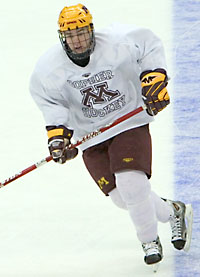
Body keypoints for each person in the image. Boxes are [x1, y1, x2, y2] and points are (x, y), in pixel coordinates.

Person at [29, 3, 193, 266]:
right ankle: (173, 211)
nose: (78, 41)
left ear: (91, 30)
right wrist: (59, 137)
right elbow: (52, 103)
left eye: (82, 33)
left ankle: (149, 240)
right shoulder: (48, 70)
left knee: (132, 184)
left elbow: (150, 45)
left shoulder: (119, 41)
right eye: (71, 36)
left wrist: (154, 78)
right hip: (91, 134)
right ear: (62, 37)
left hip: (128, 120)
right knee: (122, 198)